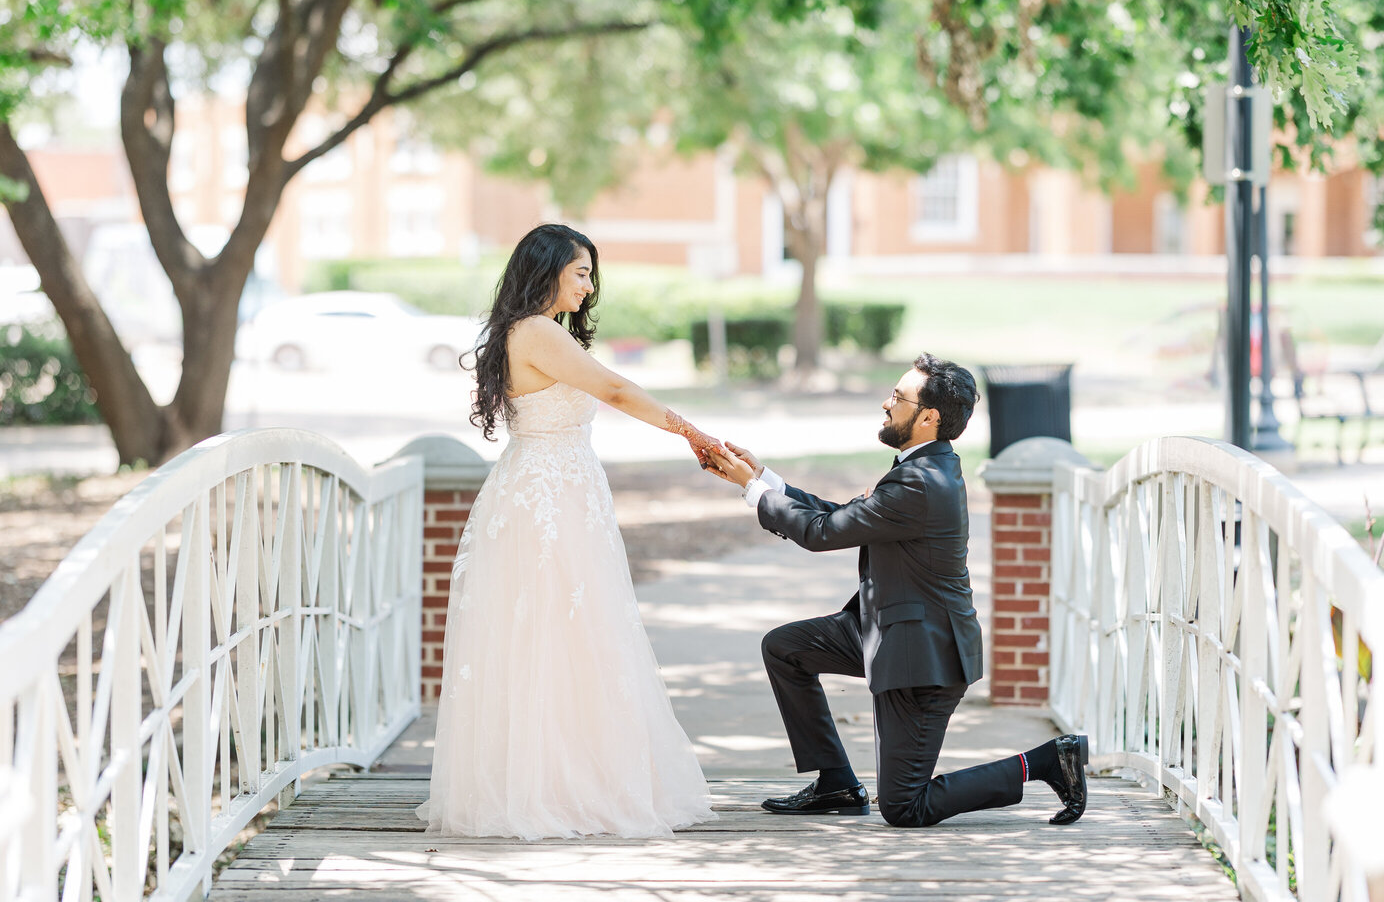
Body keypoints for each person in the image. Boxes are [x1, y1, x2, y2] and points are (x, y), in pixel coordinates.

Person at [419, 223, 718, 840]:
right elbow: (612, 388)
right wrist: (695, 434)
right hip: (547, 497)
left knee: (569, 633)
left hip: (556, 487)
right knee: (559, 632)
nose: (589, 286)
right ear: (548, 269)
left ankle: (566, 777)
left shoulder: (529, 330)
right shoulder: (536, 331)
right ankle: (557, 788)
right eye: (580, 272)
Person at [704, 354, 1089, 828]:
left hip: (922, 657)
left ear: (929, 417)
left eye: (899, 398)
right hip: (886, 628)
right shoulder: (922, 468)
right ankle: (836, 783)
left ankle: (1048, 761)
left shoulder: (922, 482)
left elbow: (822, 534)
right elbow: (841, 516)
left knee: (905, 806)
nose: (886, 403)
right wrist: (765, 480)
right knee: (786, 648)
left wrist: (753, 492)